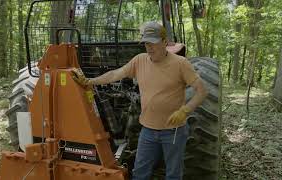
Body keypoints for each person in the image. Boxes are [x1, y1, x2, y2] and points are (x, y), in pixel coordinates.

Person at [72, 21, 208, 180]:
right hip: (148, 131)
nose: (149, 47)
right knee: (139, 173)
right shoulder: (139, 60)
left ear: (165, 42)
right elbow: (115, 74)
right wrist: (89, 81)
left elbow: (202, 91)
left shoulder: (180, 63)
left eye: (153, 43)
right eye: (146, 43)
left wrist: (185, 111)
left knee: (173, 174)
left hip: (174, 132)